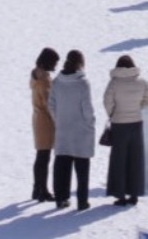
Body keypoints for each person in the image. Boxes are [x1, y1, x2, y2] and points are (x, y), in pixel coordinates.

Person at [103, 55, 148, 207]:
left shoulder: (114, 83)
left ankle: (120, 195)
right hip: (136, 123)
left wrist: (113, 113)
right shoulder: (141, 82)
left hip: (119, 124)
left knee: (119, 160)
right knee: (135, 159)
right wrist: (138, 108)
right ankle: (134, 193)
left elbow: (107, 101)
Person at [49, 49, 95, 211]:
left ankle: (61, 198)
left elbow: (52, 105)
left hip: (63, 129)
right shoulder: (82, 83)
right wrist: (90, 123)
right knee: (82, 169)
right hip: (81, 130)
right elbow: (87, 109)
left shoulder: (56, 82)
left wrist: (59, 120)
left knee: (62, 165)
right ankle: (82, 201)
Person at [29, 47, 60, 202]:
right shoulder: (44, 81)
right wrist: (58, 122)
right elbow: (50, 105)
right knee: (44, 157)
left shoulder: (35, 75)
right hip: (46, 122)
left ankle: (37, 188)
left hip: (37, 118)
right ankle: (43, 190)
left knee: (41, 156)